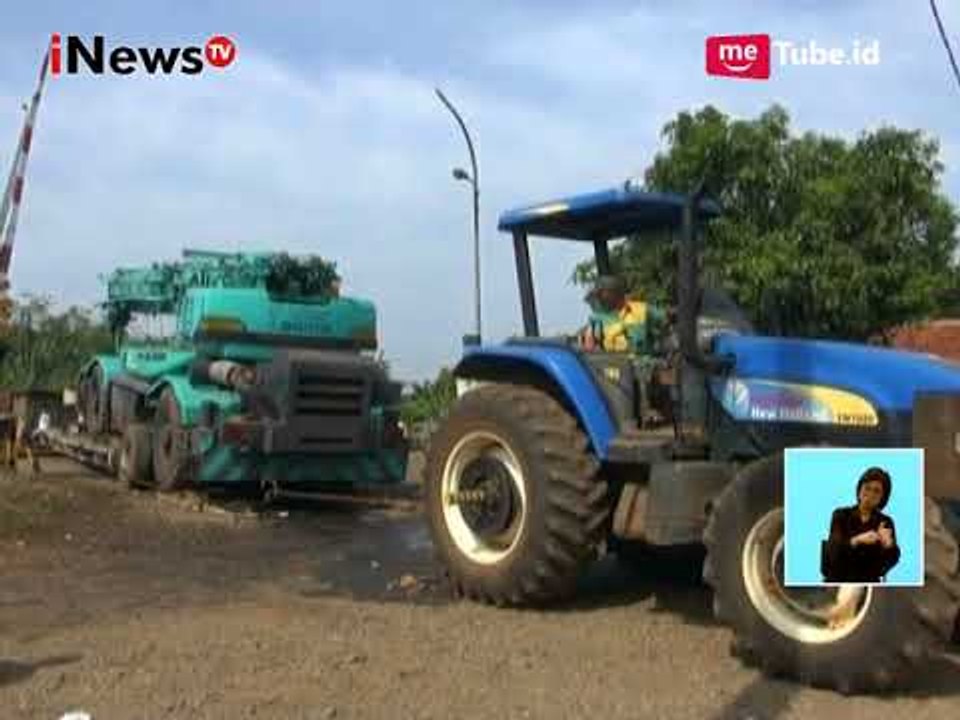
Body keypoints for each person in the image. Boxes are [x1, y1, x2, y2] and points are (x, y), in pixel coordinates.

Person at [822, 466, 901, 583]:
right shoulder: (841, 515)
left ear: (883, 497)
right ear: (859, 490)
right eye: (867, 488)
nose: (870, 494)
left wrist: (888, 545)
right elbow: (833, 553)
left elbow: (885, 566)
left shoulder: (886, 522)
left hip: (868, 582)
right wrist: (857, 540)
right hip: (838, 579)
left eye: (876, 491)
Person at [579, 275, 665, 354]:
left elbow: (667, 318)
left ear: (613, 293)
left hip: (646, 365)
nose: (598, 297)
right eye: (598, 294)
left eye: (601, 293)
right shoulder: (596, 319)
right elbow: (590, 348)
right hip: (615, 367)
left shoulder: (642, 309)